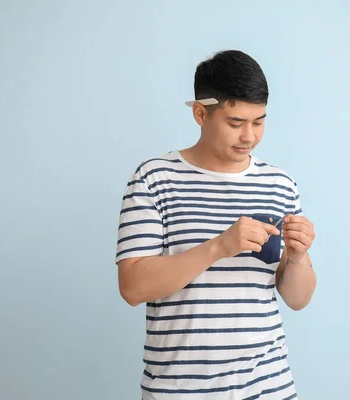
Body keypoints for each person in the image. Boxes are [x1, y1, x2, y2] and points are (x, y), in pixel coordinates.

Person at [115, 49, 317, 400]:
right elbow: (132, 286)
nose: (249, 137)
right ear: (200, 113)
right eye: (236, 123)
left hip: (269, 387)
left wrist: (298, 257)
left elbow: (297, 300)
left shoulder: (279, 184)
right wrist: (218, 247)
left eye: (259, 121)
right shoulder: (153, 178)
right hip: (179, 391)